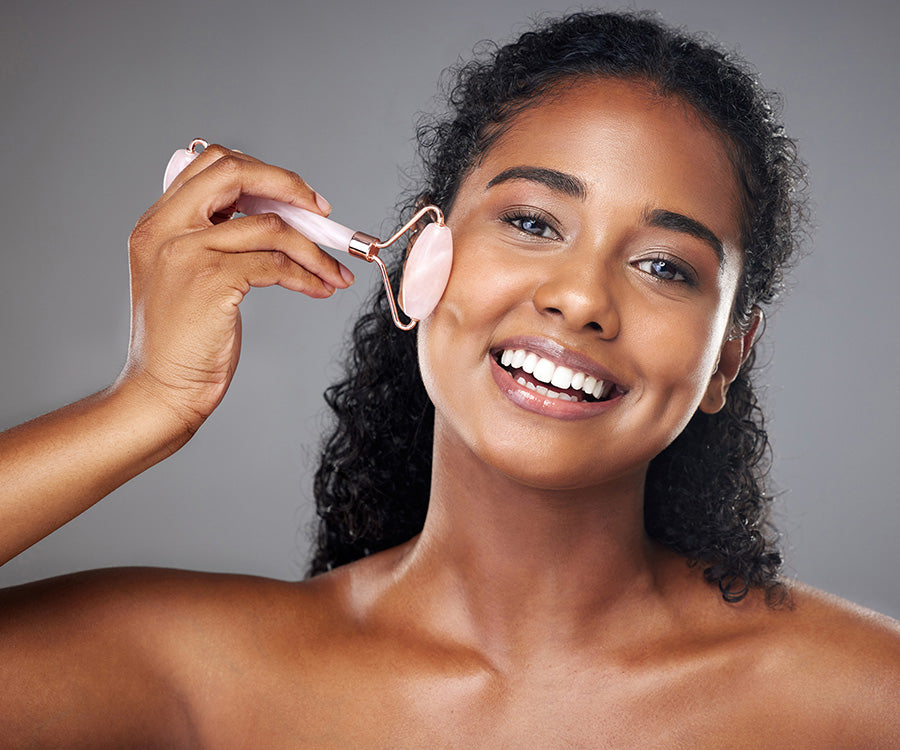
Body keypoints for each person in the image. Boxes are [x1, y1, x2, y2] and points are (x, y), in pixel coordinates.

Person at [1, 10, 898, 748]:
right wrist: (149, 403)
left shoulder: (861, 702)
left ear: (728, 355)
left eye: (665, 266)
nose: (581, 298)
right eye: (533, 222)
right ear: (426, 251)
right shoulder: (196, 676)